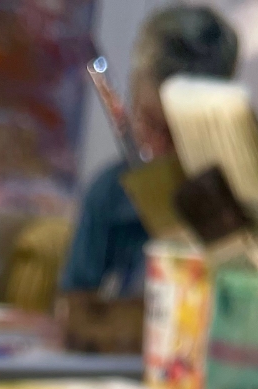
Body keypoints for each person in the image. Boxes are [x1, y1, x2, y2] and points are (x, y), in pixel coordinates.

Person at [61, 5, 240, 298]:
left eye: (177, 134)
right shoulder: (110, 193)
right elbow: (74, 304)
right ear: (132, 92)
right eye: (148, 121)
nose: (157, 148)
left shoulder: (238, 196)